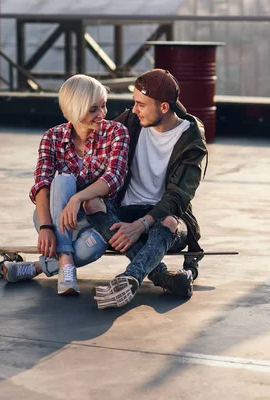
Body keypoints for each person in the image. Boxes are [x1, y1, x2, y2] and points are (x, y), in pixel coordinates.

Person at [84, 69, 208, 309]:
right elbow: (90, 136)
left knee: (170, 222)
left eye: (141, 104)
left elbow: (178, 197)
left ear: (163, 107)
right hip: (122, 216)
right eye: (134, 103)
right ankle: (162, 276)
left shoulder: (191, 142)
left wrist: (142, 224)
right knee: (92, 203)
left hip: (164, 221)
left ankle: (130, 277)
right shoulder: (131, 122)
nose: (135, 109)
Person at [2, 74, 129, 296]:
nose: (102, 114)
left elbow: (114, 178)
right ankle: (66, 263)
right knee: (61, 180)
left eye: (104, 106)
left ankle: (38, 267)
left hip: (97, 219)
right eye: (93, 109)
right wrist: (45, 228)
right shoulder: (52, 137)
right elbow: (41, 184)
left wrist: (77, 198)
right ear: (74, 109)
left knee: (96, 246)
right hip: (56, 218)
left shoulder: (116, 133)